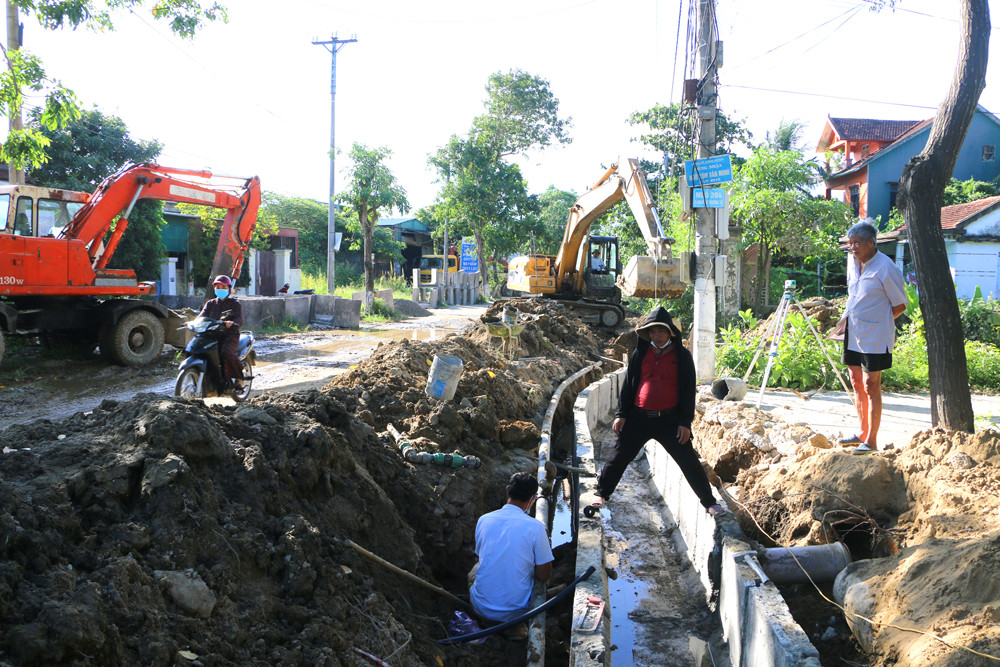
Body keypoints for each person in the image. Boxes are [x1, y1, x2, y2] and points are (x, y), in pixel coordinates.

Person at [591, 306, 726, 517]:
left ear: (670, 332)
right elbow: (628, 386)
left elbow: (689, 390)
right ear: (648, 334)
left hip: (669, 421)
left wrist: (685, 422)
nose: (657, 335)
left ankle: (709, 502)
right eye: (653, 331)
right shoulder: (640, 353)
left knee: (688, 461)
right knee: (619, 456)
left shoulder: (682, 356)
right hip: (638, 417)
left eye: (661, 331)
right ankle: (601, 494)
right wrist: (621, 414)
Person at [836, 220, 907, 455]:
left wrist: (879, 323)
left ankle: (872, 440)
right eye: (850, 243)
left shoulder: (886, 268)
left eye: (856, 243)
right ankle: (861, 433)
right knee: (856, 383)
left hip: (875, 336)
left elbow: (899, 305)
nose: (852, 247)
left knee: (871, 384)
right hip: (853, 332)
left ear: (871, 242)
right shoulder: (854, 264)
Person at [469, 472, 554, 633]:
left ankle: (488, 622)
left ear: (508, 491)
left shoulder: (484, 519)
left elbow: (481, 557)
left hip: (480, 608)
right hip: (515, 614)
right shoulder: (535, 527)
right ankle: (514, 629)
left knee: (475, 570)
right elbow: (543, 575)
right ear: (532, 499)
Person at [197, 275, 245, 391]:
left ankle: (239, 378)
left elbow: (239, 320)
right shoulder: (210, 303)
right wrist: (192, 322)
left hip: (229, 335)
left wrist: (231, 323)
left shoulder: (235, 304)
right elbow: (201, 316)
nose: (220, 289)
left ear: (229, 288)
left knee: (225, 353)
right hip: (212, 335)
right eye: (218, 287)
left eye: (223, 287)